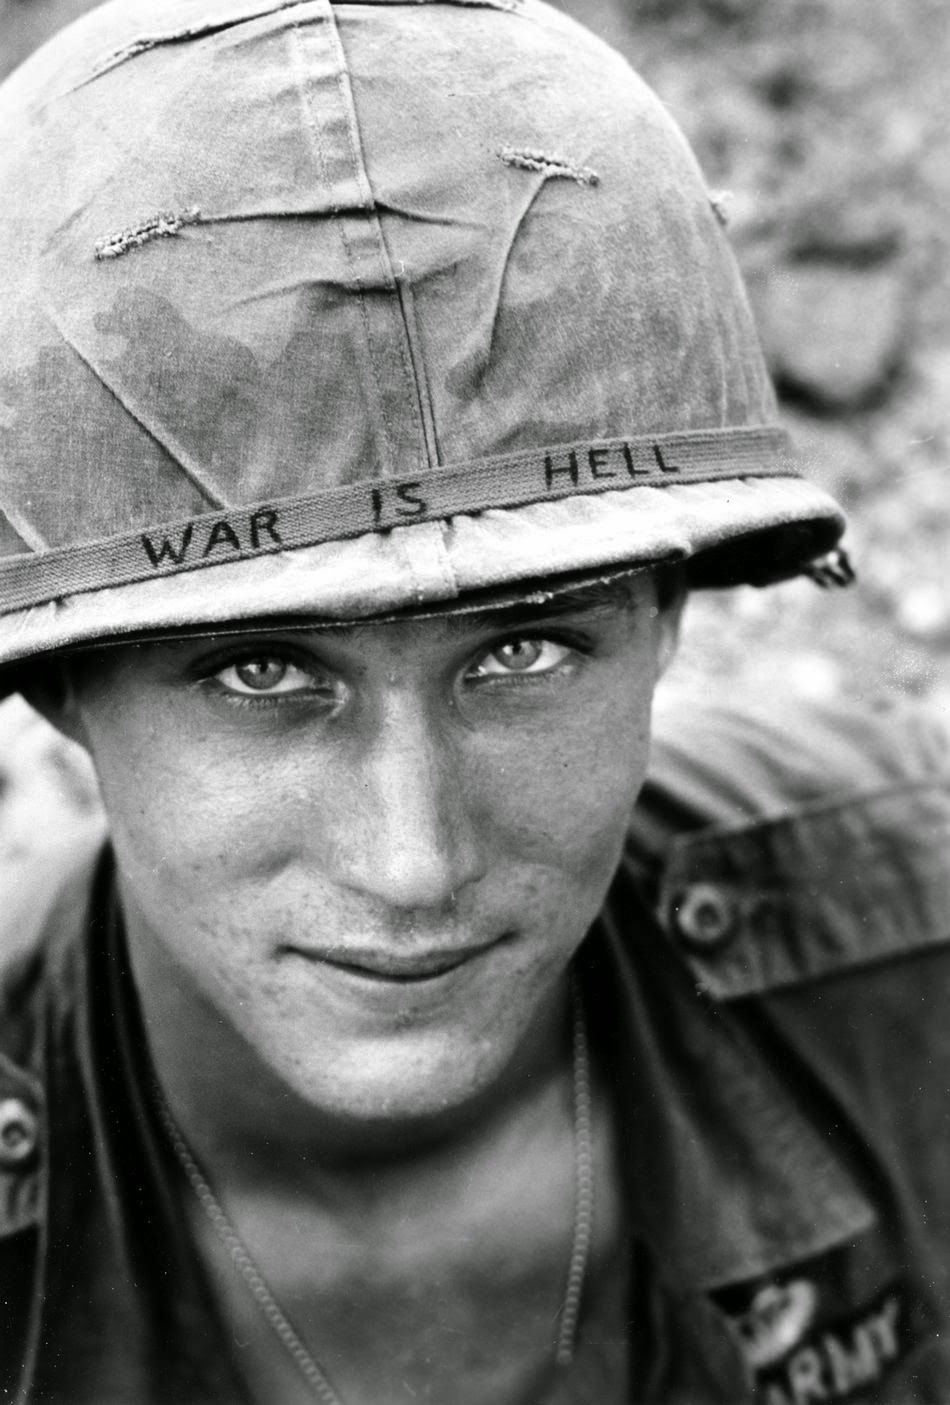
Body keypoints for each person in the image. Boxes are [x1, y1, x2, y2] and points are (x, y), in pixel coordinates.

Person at [1, 0, 948, 1401]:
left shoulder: (908, 948)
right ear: (62, 689)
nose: (413, 861)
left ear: (668, 617)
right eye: (262, 671)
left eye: (522, 654)